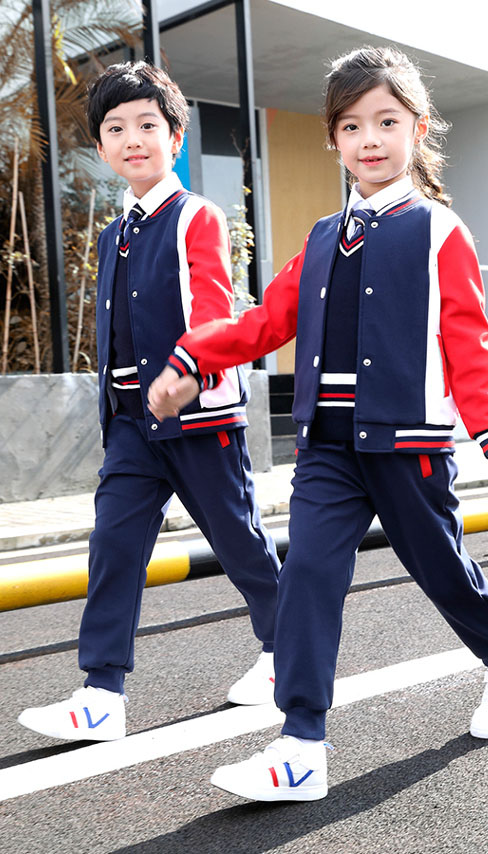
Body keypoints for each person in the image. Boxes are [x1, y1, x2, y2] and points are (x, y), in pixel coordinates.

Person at [147, 46, 488, 802]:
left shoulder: (438, 231)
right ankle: (300, 745)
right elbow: (266, 322)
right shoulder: (325, 236)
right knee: (308, 578)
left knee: (441, 572)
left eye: (387, 121)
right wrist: (193, 359)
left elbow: (467, 339)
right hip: (327, 444)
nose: (370, 138)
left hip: (409, 442)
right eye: (352, 124)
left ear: (418, 129)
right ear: (333, 138)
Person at [18, 61, 280, 743]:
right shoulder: (113, 233)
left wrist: (192, 372)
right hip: (133, 422)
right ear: (102, 149)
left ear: (175, 137)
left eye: (147, 125)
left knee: (240, 542)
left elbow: (213, 303)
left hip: (199, 415)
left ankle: (290, 656)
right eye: (115, 129)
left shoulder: (195, 216)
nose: (133, 138)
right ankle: (102, 693)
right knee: (113, 542)